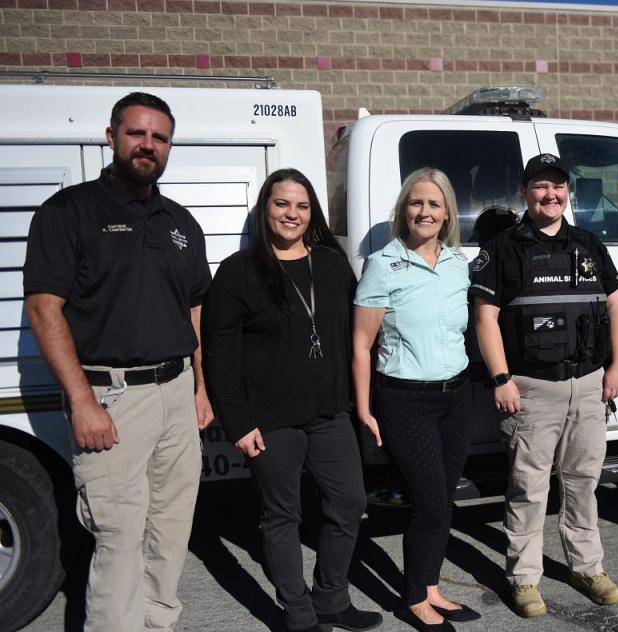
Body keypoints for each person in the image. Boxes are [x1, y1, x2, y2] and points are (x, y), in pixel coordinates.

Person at [23, 92, 213, 631]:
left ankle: (155, 623)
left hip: (177, 392)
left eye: (159, 137)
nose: (147, 145)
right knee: (120, 534)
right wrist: (82, 401)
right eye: (136, 133)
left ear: (169, 146)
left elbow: (194, 310)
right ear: (112, 137)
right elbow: (43, 309)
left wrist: (201, 388)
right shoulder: (70, 212)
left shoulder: (180, 223)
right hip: (112, 397)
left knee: (171, 528)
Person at [201, 169, 382, 632]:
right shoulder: (238, 272)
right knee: (282, 515)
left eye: (301, 206)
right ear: (266, 208)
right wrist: (238, 423)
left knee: (348, 503)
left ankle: (330, 598)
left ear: (312, 213)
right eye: (282, 204)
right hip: (270, 421)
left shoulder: (330, 262)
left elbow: (357, 332)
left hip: (330, 413)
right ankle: (298, 613)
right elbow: (218, 356)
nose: (292, 214)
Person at [470, 154, 618, 618]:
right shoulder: (503, 248)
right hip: (532, 389)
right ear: (524, 193)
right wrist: (501, 378)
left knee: (583, 484)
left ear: (568, 192)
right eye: (540, 187)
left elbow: (616, 307)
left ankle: (588, 568)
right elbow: (486, 317)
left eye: (558, 187)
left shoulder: (588, 243)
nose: (550, 195)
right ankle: (523, 577)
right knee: (528, 487)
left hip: (589, 385)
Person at [352, 168, 477, 632]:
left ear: (447, 215)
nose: (425, 211)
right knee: (428, 503)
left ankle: (430, 587)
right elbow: (362, 344)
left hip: (456, 396)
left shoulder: (457, 264)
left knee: (444, 500)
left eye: (434, 204)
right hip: (405, 401)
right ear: (403, 210)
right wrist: (364, 408)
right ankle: (412, 599)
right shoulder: (384, 265)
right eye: (416, 203)